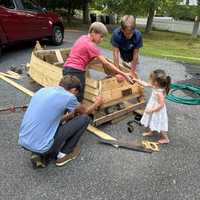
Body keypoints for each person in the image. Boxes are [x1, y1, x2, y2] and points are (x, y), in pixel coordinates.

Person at [18, 75, 103, 168]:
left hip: (24, 141)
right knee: (85, 119)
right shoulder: (69, 97)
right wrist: (97, 103)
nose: (75, 96)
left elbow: (49, 118)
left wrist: (67, 117)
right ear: (74, 90)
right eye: (76, 93)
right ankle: (64, 154)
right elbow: (85, 111)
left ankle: (37, 152)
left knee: (46, 123)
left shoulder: (43, 90)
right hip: (43, 146)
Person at [63, 21, 132, 102]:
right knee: (77, 98)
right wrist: (123, 73)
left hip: (67, 69)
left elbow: (97, 60)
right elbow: (106, 63)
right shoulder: (91, 46)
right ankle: (76, 114)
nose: (102, 39)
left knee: (67, 95)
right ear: (93, 32)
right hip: (76, 72)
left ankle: (66, 112)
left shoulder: (82, 38)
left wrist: (114, 74)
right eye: (101, 36)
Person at [132, 69, 171, 144]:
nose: (150, 80)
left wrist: (152, 110)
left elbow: (161, 104)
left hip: (157, 110)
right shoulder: (155, 86)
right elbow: (145, 84)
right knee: (151, 119)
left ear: (156, 82)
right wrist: (137, 80)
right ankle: (151, 132)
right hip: (153, 106)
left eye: (151, 79)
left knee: (159, 123)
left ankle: (166, 139)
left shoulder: (159, 93)